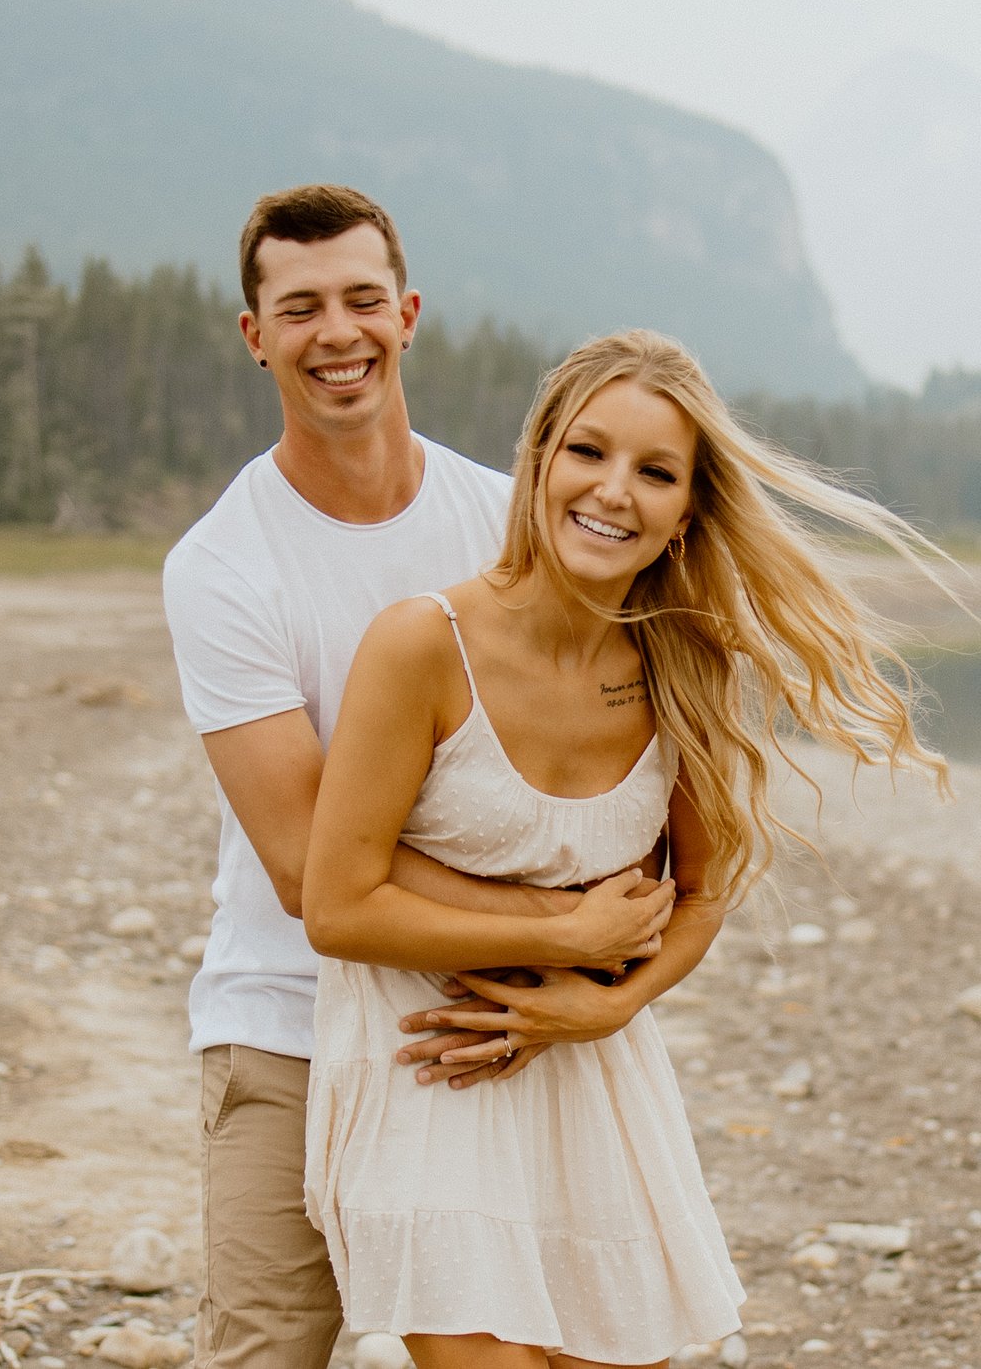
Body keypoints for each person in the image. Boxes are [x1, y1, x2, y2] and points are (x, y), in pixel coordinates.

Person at [302, 327, 954, 1368]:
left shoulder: (683, 664)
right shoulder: (421, 645)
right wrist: (566, 932)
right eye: (587, 452)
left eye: (655, 472)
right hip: (432, 1076)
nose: (612, 491)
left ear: (685, 510)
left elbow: (698, 895)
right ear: (538, 459)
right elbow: (337, 905)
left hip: (597, 1076)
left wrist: (606, 1001)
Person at [163, 186, 675, 1369]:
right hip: (287, 1018)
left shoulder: (510, 521)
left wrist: (600, 971)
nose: (335, 332)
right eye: (299, 309)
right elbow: (307, 873)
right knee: (264, 1351)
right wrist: (567, 926)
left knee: (549, 1343)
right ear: (255, 335)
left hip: (480, 1020)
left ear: (406, 312)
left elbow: (597, 775)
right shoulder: (223, 568)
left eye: (359, 299)